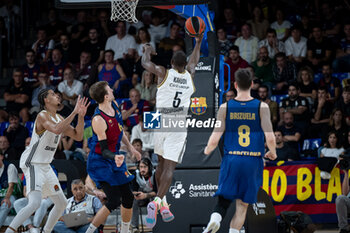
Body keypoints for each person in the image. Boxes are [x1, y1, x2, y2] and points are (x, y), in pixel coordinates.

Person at [202, 68, 276, 233]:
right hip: (253, 161)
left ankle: (214, 220)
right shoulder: (261, 106)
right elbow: (270, 137)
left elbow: (215, 138)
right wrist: (273, 152)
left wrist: (207, 149)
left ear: (235, 85)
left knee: (223, 199)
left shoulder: (225, 107)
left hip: (232, 159)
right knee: (242, 207)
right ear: (251, 84)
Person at [4, 91, 89, 233]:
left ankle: (46, 231)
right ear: (46, 99)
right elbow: (56, 129)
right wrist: (73, 113)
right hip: (33, 162)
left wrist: (80, 116)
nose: (57, 95)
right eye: (53, 94)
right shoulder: (42, 115)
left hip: (45, 164)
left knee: (61, 203)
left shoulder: (60, 117)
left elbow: (78, 136)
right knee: (35, 203)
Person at [141, 33, 203, 228]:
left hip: (160, 121)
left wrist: (147, 51)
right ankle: (158, 202)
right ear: (184, 64)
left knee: (159, 163)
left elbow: (145, 64)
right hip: (178, 123)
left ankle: (164, 204)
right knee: (169, 168)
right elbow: (195, 61)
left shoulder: (163, 72)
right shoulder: (189, 75)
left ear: (171, 62)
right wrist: (199, 42)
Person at [85, 81, 141, 233]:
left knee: (128, 197)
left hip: (115, 157)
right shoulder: (98, 120)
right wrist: (115, 156)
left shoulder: (115, 105)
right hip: (100, 161)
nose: (112, 89)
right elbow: (103, 150)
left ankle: (124, 230)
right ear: (105, 96)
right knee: (114, 199)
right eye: (109, 88)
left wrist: (131, 149)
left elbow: (120, 131)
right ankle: (89, 231)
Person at [131, 158, 157, 232]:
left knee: (156, 200)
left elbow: (157, 191)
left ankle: (156, 226)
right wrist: (137, 194)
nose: (142, 169)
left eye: (145, 167)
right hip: (141, 196)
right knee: (133, 200)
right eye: (141, 167)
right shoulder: (135, 174)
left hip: (152, 195)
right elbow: (133, 190)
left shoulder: (155, 174)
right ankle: (134, 227)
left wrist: (145, 195)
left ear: (149, 167)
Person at [0, 152, 20, 229]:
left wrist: (6, 198)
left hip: (12, 195)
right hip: (1, 195)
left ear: (1, 157)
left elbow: (11, 186)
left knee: (6, 204)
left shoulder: (10, 166)